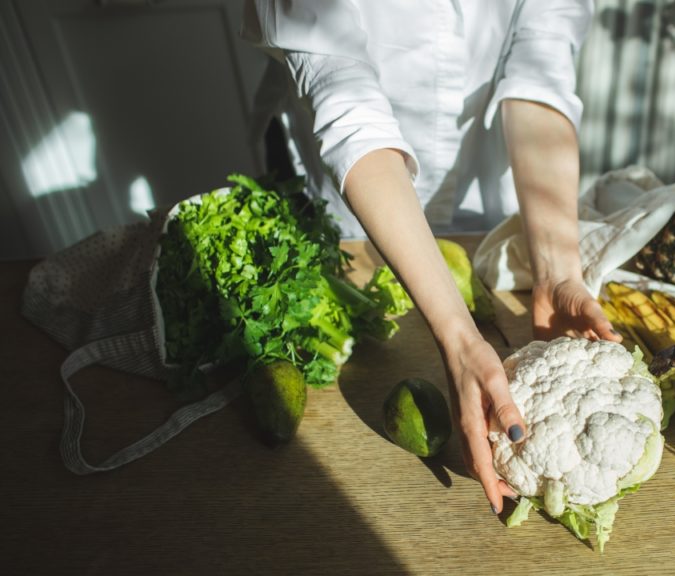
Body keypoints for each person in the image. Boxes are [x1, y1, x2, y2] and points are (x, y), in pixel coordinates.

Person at [241, 0, 619, 514]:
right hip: (357, 211)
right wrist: (461, 340)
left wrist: (556, 273)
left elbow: (540, 71)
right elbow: (349, 110)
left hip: (486, 192)